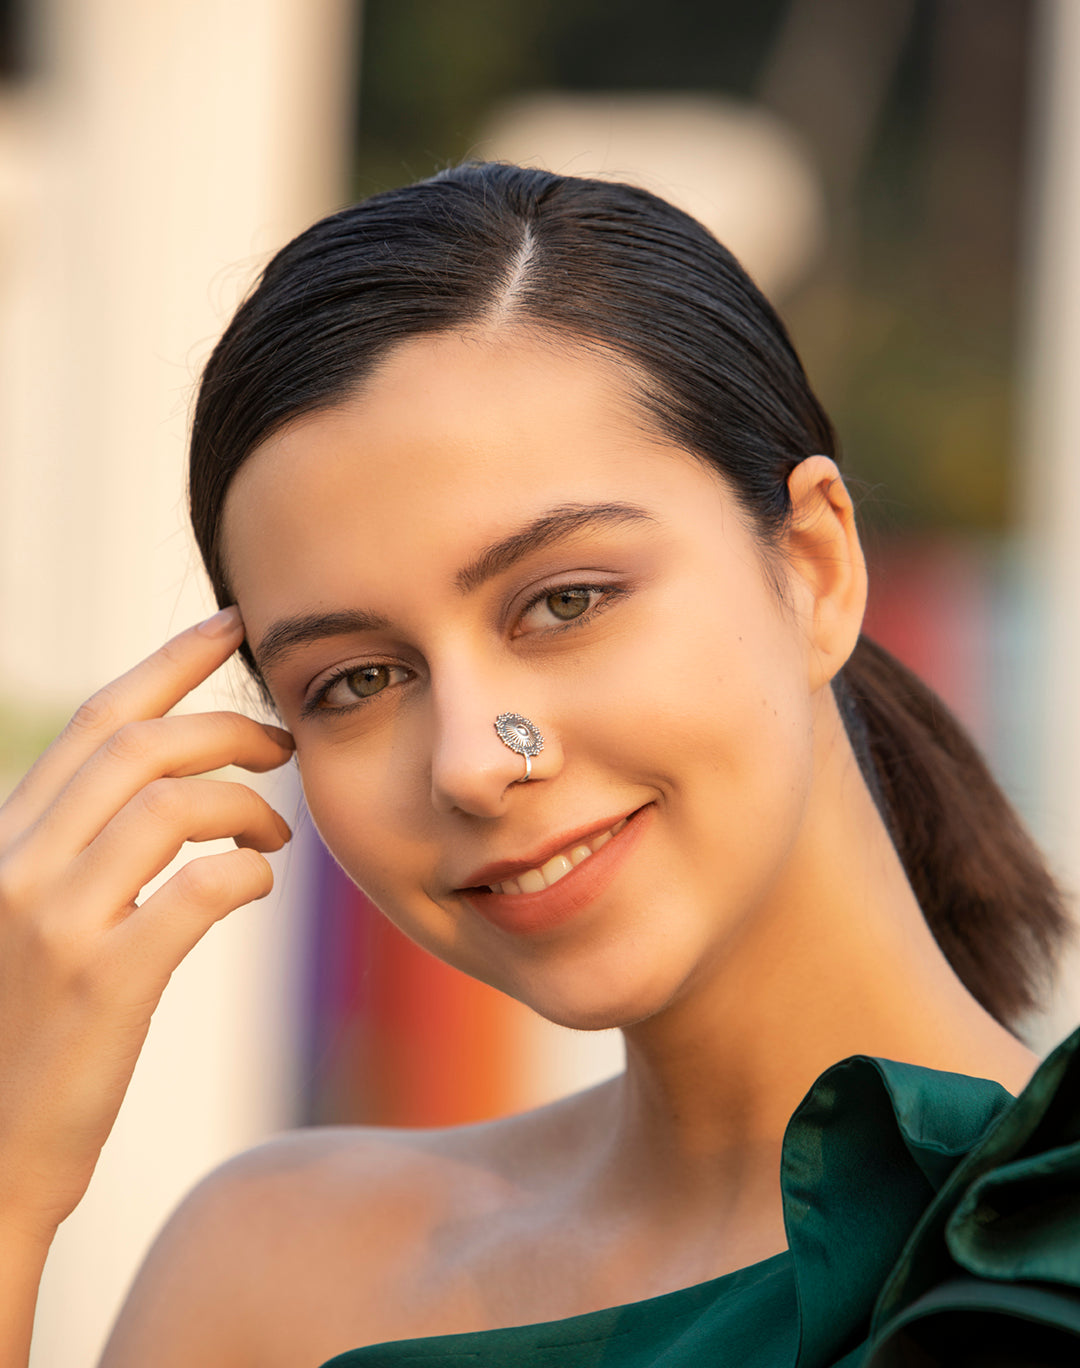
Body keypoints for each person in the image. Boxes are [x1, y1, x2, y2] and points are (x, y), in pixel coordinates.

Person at [1, 163, 1078, 1368]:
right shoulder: (269, 1279)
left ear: (817, 566)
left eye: (564, 601)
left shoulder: (1042, 1256)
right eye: (356, 681)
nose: (473, 761)